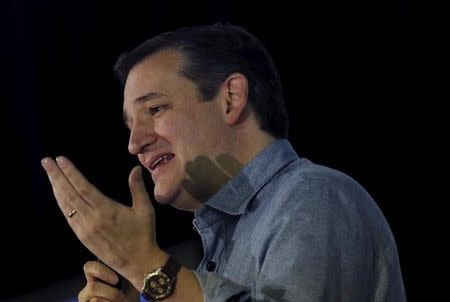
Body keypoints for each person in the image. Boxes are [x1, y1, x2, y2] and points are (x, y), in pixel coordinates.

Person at [41, 23, 406, 302]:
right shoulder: (220, 245)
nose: (135, 143)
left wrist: (147, 268)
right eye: (130, 125)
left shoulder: (315, 198)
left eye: (155, 109)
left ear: (230, 99)